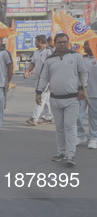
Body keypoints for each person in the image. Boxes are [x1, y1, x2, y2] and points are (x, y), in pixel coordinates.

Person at [36, 33, 88, 165]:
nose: (62, 44)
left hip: (72, 98)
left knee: (70, 127)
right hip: (55, 99)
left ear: (68, 42)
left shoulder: (76, 57)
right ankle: (61, 152)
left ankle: (70, 155)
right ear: (55, 43)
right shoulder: (50, 60)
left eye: (65, 42)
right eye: (59, 42)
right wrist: (39, 92)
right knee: (59, 128)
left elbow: (84, 72)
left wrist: (82, 88)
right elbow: (44, 78)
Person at [24, 35, 53, 125]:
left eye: (35, 41)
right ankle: (48, 116)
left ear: (40, 42)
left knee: (41, 97)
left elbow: (53, 64)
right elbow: (32, 63)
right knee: (46, 99)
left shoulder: (49, 51)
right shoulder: (36, 52)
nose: (34, 43)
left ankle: (34, 118)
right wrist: (28, 71)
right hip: (37, 79)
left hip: (46, 79)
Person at [77, 40, 97, 149]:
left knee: (93, 117)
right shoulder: (82, 58)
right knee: (78, 115)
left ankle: (93, 138)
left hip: (94, 92)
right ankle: (80, 136)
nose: (83, 46)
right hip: (82, 92)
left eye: (86, 45)